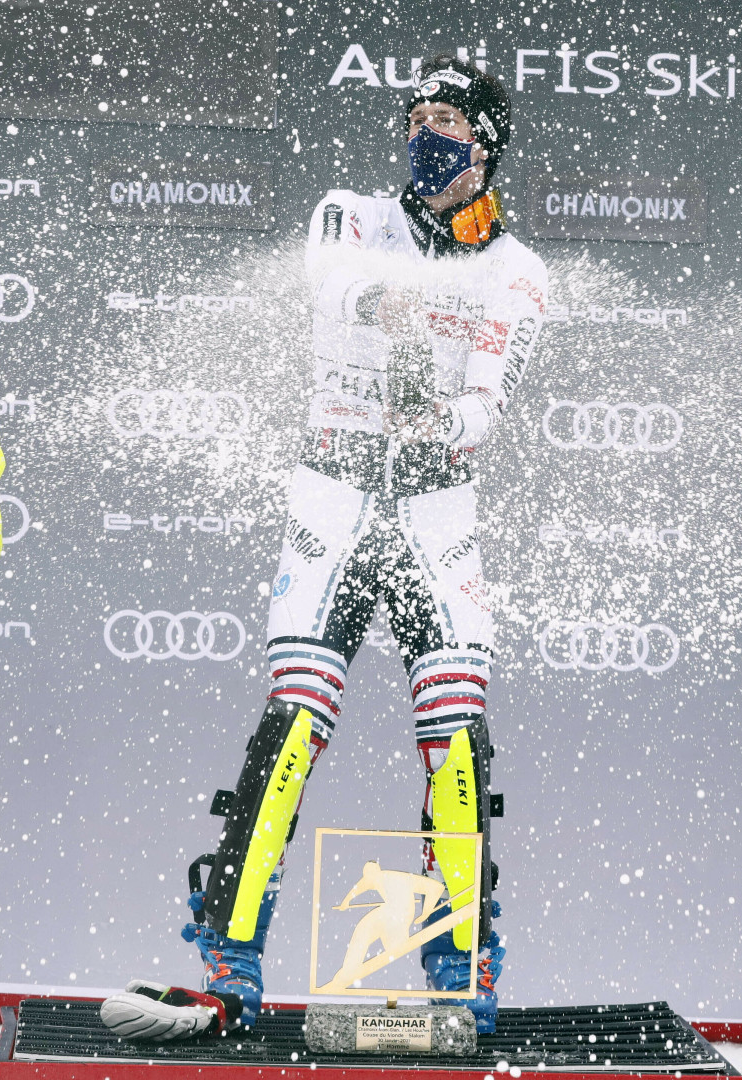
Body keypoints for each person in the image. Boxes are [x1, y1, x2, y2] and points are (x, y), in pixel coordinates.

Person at [99, 54, 548, 1042]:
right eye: (419, 116)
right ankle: (227, 968)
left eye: (450, 119)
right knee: (293, 730)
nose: (429, 133)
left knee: (457, 748)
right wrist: (416, 318)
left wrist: (440, 394)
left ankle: (460, 972)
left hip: (437, 521)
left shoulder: (520, 271)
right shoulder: (349, 213)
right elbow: (338, 299)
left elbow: (480, 407)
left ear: (488, 143)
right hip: (336, 502)